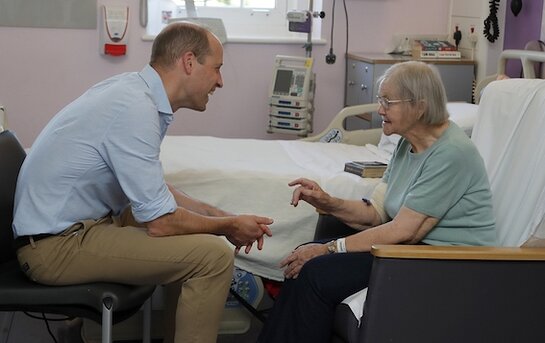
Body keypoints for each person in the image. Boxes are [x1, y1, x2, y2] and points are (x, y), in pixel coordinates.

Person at [12, 22, 273, 343]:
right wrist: (228, 226)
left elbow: (154, 192)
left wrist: (219, 216)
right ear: (189, 62)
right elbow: (162, 222)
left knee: (196, 240)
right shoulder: (135, 108)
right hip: (55, 248)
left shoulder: (135, 93)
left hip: (73, 229)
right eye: (216, 69)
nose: (220, 81)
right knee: (213, 257)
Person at [258, 61, 496, 343]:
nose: (380, 109)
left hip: (445, 263)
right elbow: (376, 212)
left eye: (387, 101)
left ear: (419, 106)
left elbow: (404, 231)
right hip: (411, 250)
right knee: (302, 259)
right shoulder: (407, 145)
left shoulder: (451, 153)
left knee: (316, 271)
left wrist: (329, 249)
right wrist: (327, 200)